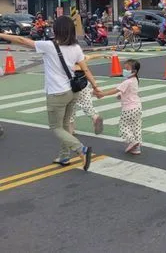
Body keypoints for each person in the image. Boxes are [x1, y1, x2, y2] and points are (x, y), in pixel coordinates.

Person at [0, 16, 97, 170]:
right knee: (65, 125)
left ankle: (81, 148)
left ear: (57, 30)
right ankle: (65, 156)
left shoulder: (49, 46)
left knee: (56, 127)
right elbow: (84, 67)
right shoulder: (76, 47)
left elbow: (23, 41)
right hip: (73, 92)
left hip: (57, 93)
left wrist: (1, 35)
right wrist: (95, 86)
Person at [96, 59, 143, 155]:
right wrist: (121, 96)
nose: (124, 70)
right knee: (136, 127)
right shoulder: (135, 80)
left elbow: (116, 90)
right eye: (124, 68)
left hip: (128, 109)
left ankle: (132, 141)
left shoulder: (127, 82)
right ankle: (137, 147)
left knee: (123, 126)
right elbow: (130, 92)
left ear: (134, 71)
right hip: (137, 107)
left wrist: (103, 94)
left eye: (127, 69)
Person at [68, 54, 108, 135]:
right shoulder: (80, 57)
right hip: (82, 85)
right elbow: (90, 58)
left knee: (69, 108)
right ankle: (95, 117)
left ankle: (70, 130)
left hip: (69, 86)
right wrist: (103, 55)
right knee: (87, 104)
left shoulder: (64, 58)